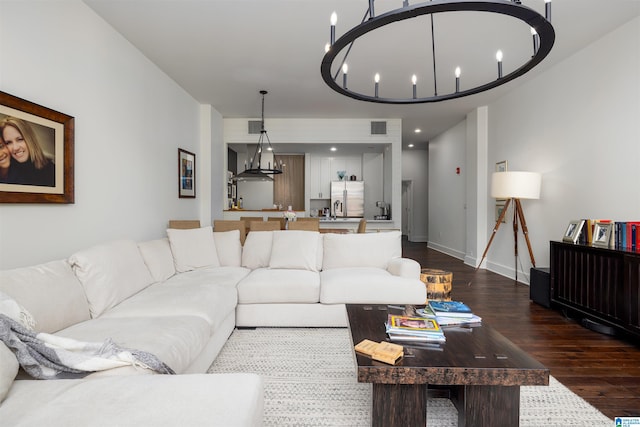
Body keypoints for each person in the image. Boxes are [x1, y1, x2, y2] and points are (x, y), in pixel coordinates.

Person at [0, 117, 55, 187]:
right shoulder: (7, 171)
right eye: (8, 142)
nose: (15, 147)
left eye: (20, 139)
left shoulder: (51, 170)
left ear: (29, 139)